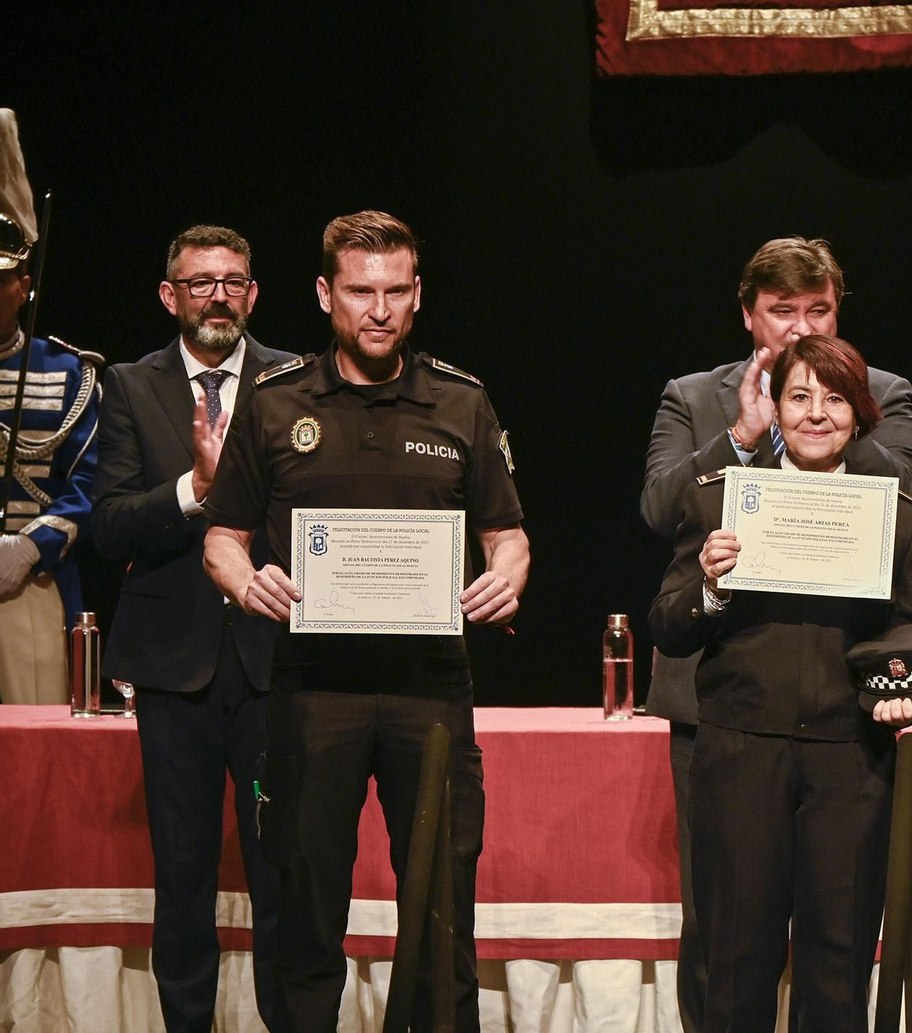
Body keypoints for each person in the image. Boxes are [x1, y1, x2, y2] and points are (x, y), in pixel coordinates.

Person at [203, 211, 529, 1033]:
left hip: (432, 692)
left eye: (394, 291)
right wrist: (247, 582)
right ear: (325, 295)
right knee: (305, 905)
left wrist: (505, 578)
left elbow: (508, 534)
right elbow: (221, 537)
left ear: (417, 294)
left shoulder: (462, 400)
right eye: (359, 291)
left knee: (441, 909)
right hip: (313, 692)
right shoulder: (275, 402)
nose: (378, 310)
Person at [639, 235, 912, 1031]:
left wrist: (902, 688)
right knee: (729, 946)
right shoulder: (701, 418)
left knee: (839, 953)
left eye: (818, 310)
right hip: (730, 728)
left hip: (845, 739)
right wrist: (741, 441)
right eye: (783, 312)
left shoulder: (883, 406)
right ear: (748, 315)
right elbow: (661, 521)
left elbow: (909, 592)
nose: (801, 329)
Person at [91, 224, 295, 1032]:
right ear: (169, 295)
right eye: (200, 281)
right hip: (173, 668)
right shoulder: (128, 385)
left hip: (274, 662)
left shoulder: (295, 379)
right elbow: (108, 523)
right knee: (183, 873)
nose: (218, 296)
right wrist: (192, 490)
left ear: (253, 294)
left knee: (282, 868)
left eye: (233, 281)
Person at [0, 107, 99, 704]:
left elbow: (87, 482)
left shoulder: (68, 373)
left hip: (28, 577)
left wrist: (29, 547)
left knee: (32, 735)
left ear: (23, 285)